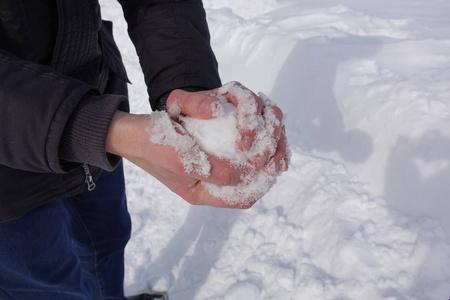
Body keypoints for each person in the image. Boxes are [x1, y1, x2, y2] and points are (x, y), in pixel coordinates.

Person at [0, 0, 288, 299]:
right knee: (46, 285)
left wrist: (190, 92)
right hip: (9, 181)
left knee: (107, 240)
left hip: (95, 94)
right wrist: (98, 128)